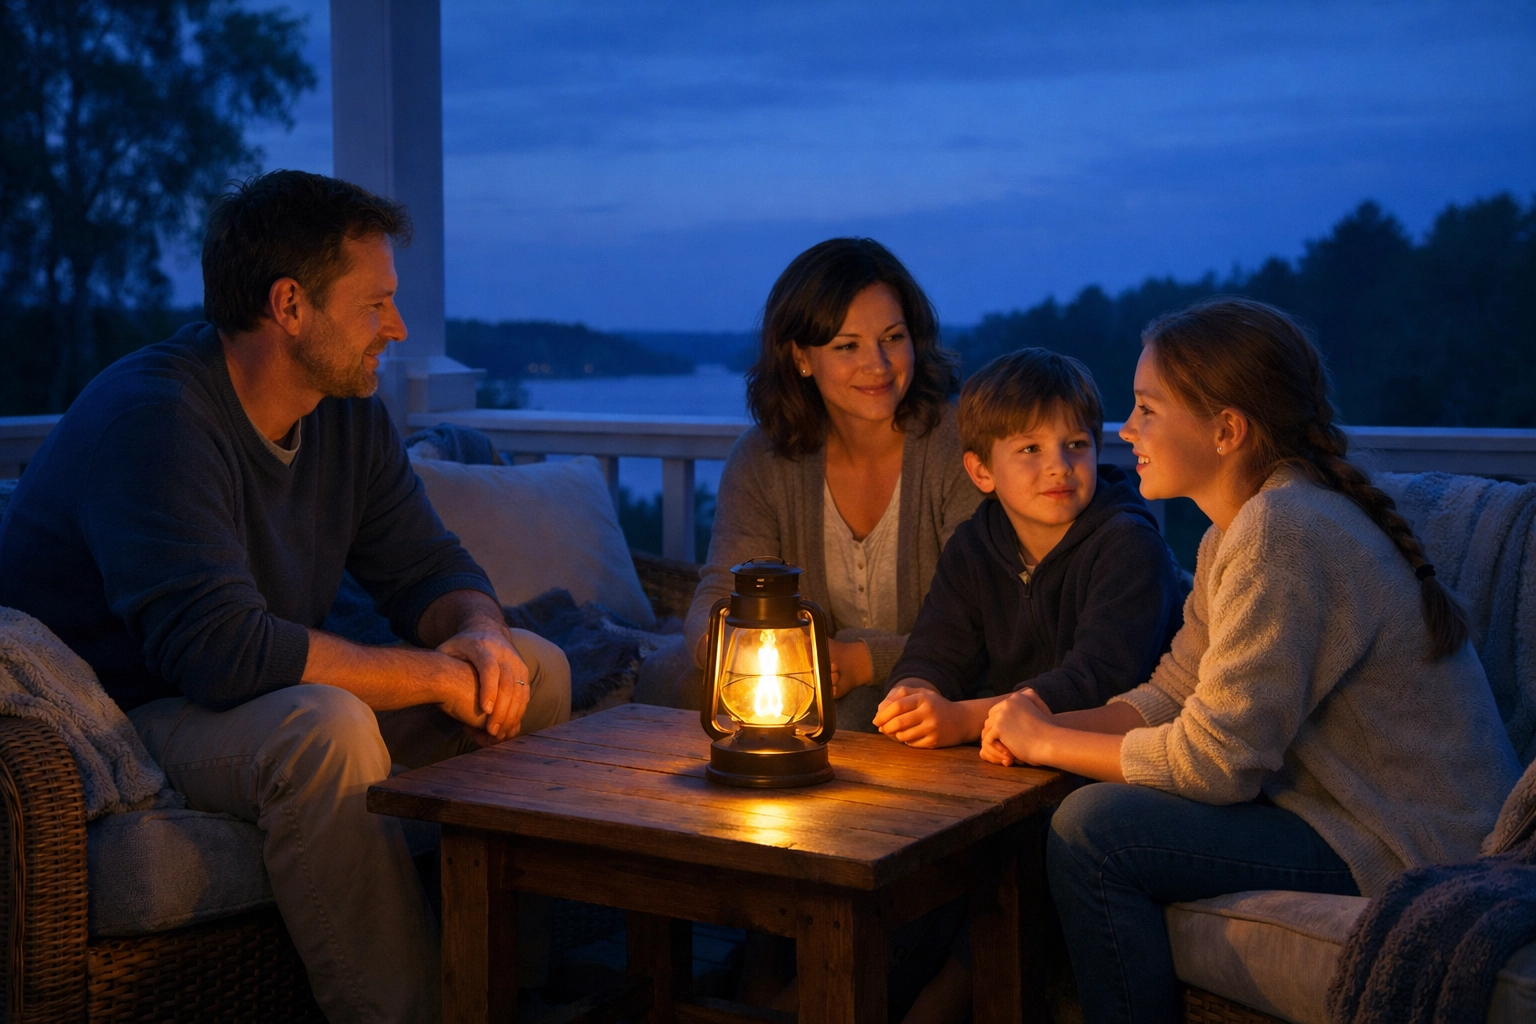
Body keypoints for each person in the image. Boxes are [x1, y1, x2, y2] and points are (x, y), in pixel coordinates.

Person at [0, 170, 571, 1024]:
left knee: (536, 667)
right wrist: (438, 678)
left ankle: (511, 985)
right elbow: (219, 653)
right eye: (375, 304)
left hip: (252, 685)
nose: (398, 328)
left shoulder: (345, 414)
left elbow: (429, 568)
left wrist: (480, 636)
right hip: (137, 713)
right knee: (324, 729)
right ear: (290, 306)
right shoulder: (154, 421)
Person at [979, 298, 1520, 1024]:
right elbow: (1173, 691)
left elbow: (1217, 763)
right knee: (1076, 803)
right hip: (1341, 816)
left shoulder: (1285, 530)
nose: (1125, 430)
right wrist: (1029, 721)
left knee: (1094, 831)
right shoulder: (1237, 531)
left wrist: (1047, 742)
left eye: (1146, 409)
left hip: (1412, 845)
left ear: (1227, 430)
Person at [634, 237, 982, 732]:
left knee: (863, 713)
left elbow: (979, 622)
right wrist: (747, 657)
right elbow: (720, 594)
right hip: (804, 678)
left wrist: (864, 659)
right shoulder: (763, 459)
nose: (878, 365)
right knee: (679, 684)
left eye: (892, 338)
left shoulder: (956, 446)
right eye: (847, 346)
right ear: (801, 357)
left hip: (941, 692)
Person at [874, 347, 1184, 749]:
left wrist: (966, 719)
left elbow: (1098, 681)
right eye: (1030, 449)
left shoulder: (1130, 546)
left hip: (1122, 753)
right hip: (1016, 746)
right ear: (982, 471)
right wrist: (914, 694)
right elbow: (937, 649)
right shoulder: (974, 546)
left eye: (1075, 444)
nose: (1059, 466)